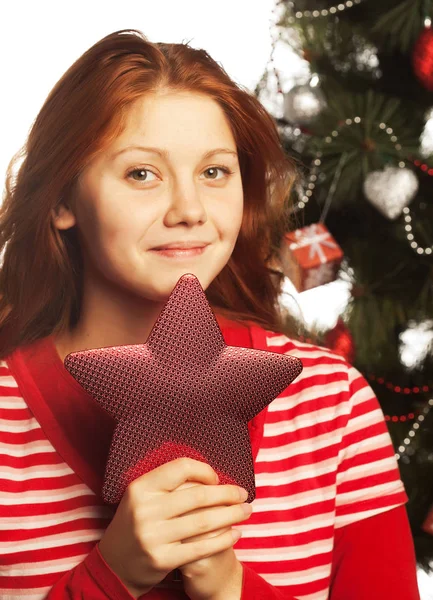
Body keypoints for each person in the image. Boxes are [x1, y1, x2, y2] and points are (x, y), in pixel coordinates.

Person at [0, 29, 421, 600]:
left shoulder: (331, 405)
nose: (190, 210)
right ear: (60, 202)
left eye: (214, 172)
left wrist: (230, 588)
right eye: (141, 173)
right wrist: (112, 574)